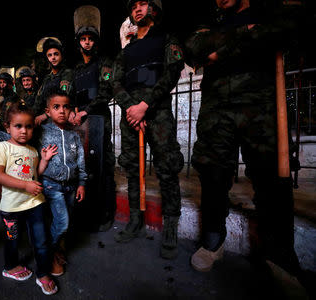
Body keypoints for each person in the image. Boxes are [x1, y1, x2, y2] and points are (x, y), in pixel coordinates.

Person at [184, 0, 305, 277]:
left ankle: (279, 255)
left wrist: (218, 50)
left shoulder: (270, 10)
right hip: (216, 105)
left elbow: (289, 28)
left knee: (271, 175)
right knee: (213, 171)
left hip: (260, 102)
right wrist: (249, 36)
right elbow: (193, 47)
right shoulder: (209, 16)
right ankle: (213, 241)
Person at [111, 0, 185, 260]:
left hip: (158, 112)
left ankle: (171, 228)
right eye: (133, 6)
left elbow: (172, 72)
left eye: (144, 4)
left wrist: (145, 105)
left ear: (154, 9)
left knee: (167, 167)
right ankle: (134, 219)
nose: (137, 9)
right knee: (132, 168)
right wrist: (132, 109)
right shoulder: (126, 50)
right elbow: (115, 82)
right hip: (131, 116)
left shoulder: (167, 39)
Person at [0, 101, 58, 296]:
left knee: (41, 240)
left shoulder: (33, 151)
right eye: (18, 126)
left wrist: (44, 160)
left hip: (34, 203)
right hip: (11, 207)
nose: (23, 131)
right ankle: (10, 267)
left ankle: (43, 274)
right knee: (13, 239)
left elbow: (34, 175)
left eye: (28, 126)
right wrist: (25, 185)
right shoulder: (0, 148)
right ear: (7, 126)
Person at [71, 5, 116, 232]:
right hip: (79, 124)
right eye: (83, 38)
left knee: (104, 166)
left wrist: (86, 110)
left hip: (99, 120)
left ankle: (106, 212)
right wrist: (72, 112)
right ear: (78, 42)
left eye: (90, 38)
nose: (87, 42)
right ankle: (86, 210)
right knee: (84, 166)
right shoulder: (76, 69)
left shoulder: (104, 62)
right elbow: (70, 95)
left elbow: (106, 91)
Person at [39, 88, 87, 276]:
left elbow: (80, 160)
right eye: (56, 106)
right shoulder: (41, 132)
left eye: (66, 107)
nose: (61, 110)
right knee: (62, 222)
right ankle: (47, 254)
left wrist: (82, 183)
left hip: (71, 186)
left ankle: (58, 249)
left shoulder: (74, 135)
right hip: (51, 185)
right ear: (48, 111)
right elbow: (16, 136)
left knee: (64, 221)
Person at [33, 37, 74, 126]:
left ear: (61, 55)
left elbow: (63, 98)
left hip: (60, 119)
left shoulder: (67, 73)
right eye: (50, 55)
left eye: (56, 54)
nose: (53, 58)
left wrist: (45, 115)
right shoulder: (47, 78)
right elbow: (38, 100)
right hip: (46, 121)